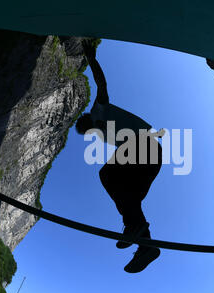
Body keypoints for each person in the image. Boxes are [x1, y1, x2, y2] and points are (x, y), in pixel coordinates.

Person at [75, 39, 163, 273]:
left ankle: (133, 227)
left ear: (87, 121)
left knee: (107, 173)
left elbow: (101, 84)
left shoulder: (98, 111)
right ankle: (147, 246)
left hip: (147, 146)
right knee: (130, 198)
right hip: (149, 156)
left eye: (88, 130)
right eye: (88, 133)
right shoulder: (104, 135)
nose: (91, 134)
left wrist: (91, 59)